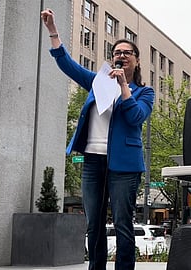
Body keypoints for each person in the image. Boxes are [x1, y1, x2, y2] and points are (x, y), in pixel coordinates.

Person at [41, 8, 154, 270]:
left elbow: (136, 118)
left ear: (136, 61)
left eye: (127, 53)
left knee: (124, 224)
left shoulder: (144, 92)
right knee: (94, 224)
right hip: (93, 161)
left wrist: (123, 87)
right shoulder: (97, 82)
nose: (121, 56)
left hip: (124, 167)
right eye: (117, 53)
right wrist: (53, 32)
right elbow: (68, 65)